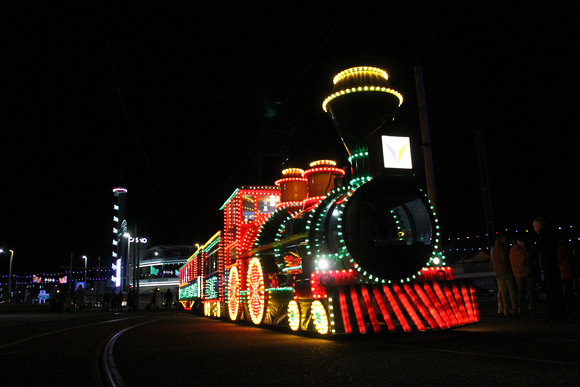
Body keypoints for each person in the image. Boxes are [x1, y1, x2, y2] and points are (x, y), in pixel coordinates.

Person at [533, 218, 567, 322]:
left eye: (535, 227)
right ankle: (559, 314)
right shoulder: (551, 235)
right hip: (552, 266)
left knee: (552, 291)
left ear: (539, 226)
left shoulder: (544, 236)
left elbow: (538, 247)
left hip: (550, 267)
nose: (534, 230)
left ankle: (555, 315)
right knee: (556, 290)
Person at [491, 235, 518, 315]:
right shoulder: (502, 249)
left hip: (497, 272)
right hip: (505, 271)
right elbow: (504, 259)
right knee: (511, 290)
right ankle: (514, 307)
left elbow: (492, 262)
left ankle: (505, 309)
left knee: (503, 291)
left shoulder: (493, 249)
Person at [509, 236, 536, 314]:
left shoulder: (511, 252)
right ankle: (531, 306)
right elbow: (528, 256)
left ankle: (520, 307)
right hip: (526, 272)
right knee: (530, 289)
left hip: (517, 274)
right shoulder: (522, 251)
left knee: (520, 291)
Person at [558, 240, 576, 309]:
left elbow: (559, 258)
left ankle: (569, 303)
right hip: (568, 270)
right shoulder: (567, 250)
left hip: (564, 271)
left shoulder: (560, 249)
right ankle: (572, 302)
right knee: (569, 288)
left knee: (566, 288)